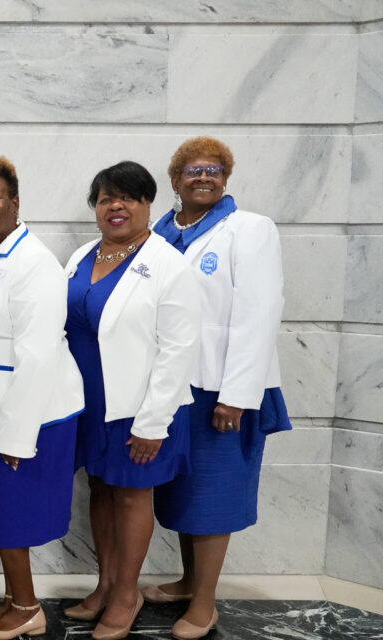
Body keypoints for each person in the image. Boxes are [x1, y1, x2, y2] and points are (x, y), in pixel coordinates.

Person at [144, 137, 292, 640]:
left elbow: (259, 313)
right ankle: (189, 582)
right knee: (183, 490)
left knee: (213, 494)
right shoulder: (159, 233)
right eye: (191, 169)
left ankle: (204, 605)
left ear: (226, 178)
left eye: (213, 169)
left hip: (222, 388)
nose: (202, 176)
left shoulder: (249, 230)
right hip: (173, 384)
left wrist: (236, 394)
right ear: (175, 180)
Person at [61, 161, 200, 640]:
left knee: (131, 495)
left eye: (128, 197)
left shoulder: (167, 264)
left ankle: (127, 594)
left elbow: (179, 349)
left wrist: (152, 423)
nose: (115, 206)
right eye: (104, 199)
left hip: (140, 408)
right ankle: (105, 585)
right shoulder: (81, 256)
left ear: (147, 205)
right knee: (100, 490)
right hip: (91, 404)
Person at [0, 157, 84, 639]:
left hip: (27, 414)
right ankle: (12, 598)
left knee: (17, 513)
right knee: (3, 513)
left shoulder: (34, 263)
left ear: (15, 202)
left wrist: (17, 433)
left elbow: (39, 356)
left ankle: (28, 608)